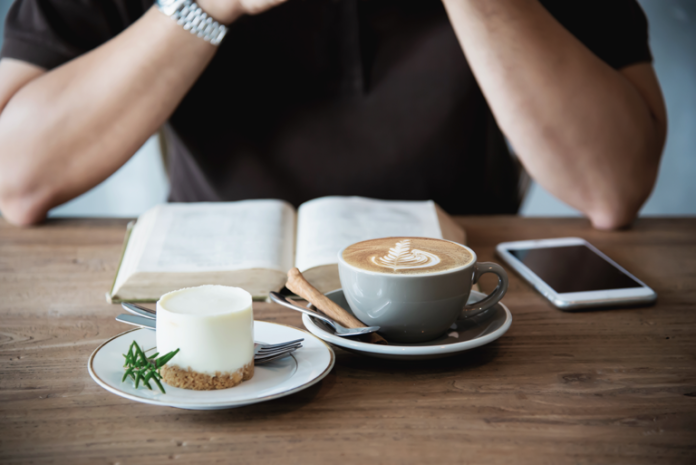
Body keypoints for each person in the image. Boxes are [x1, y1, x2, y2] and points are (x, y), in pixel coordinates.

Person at [0, 0, 666, 229]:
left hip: (470, 307)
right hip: (208, 303)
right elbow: (15, 176)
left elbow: (613, 185)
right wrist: (205, 7)